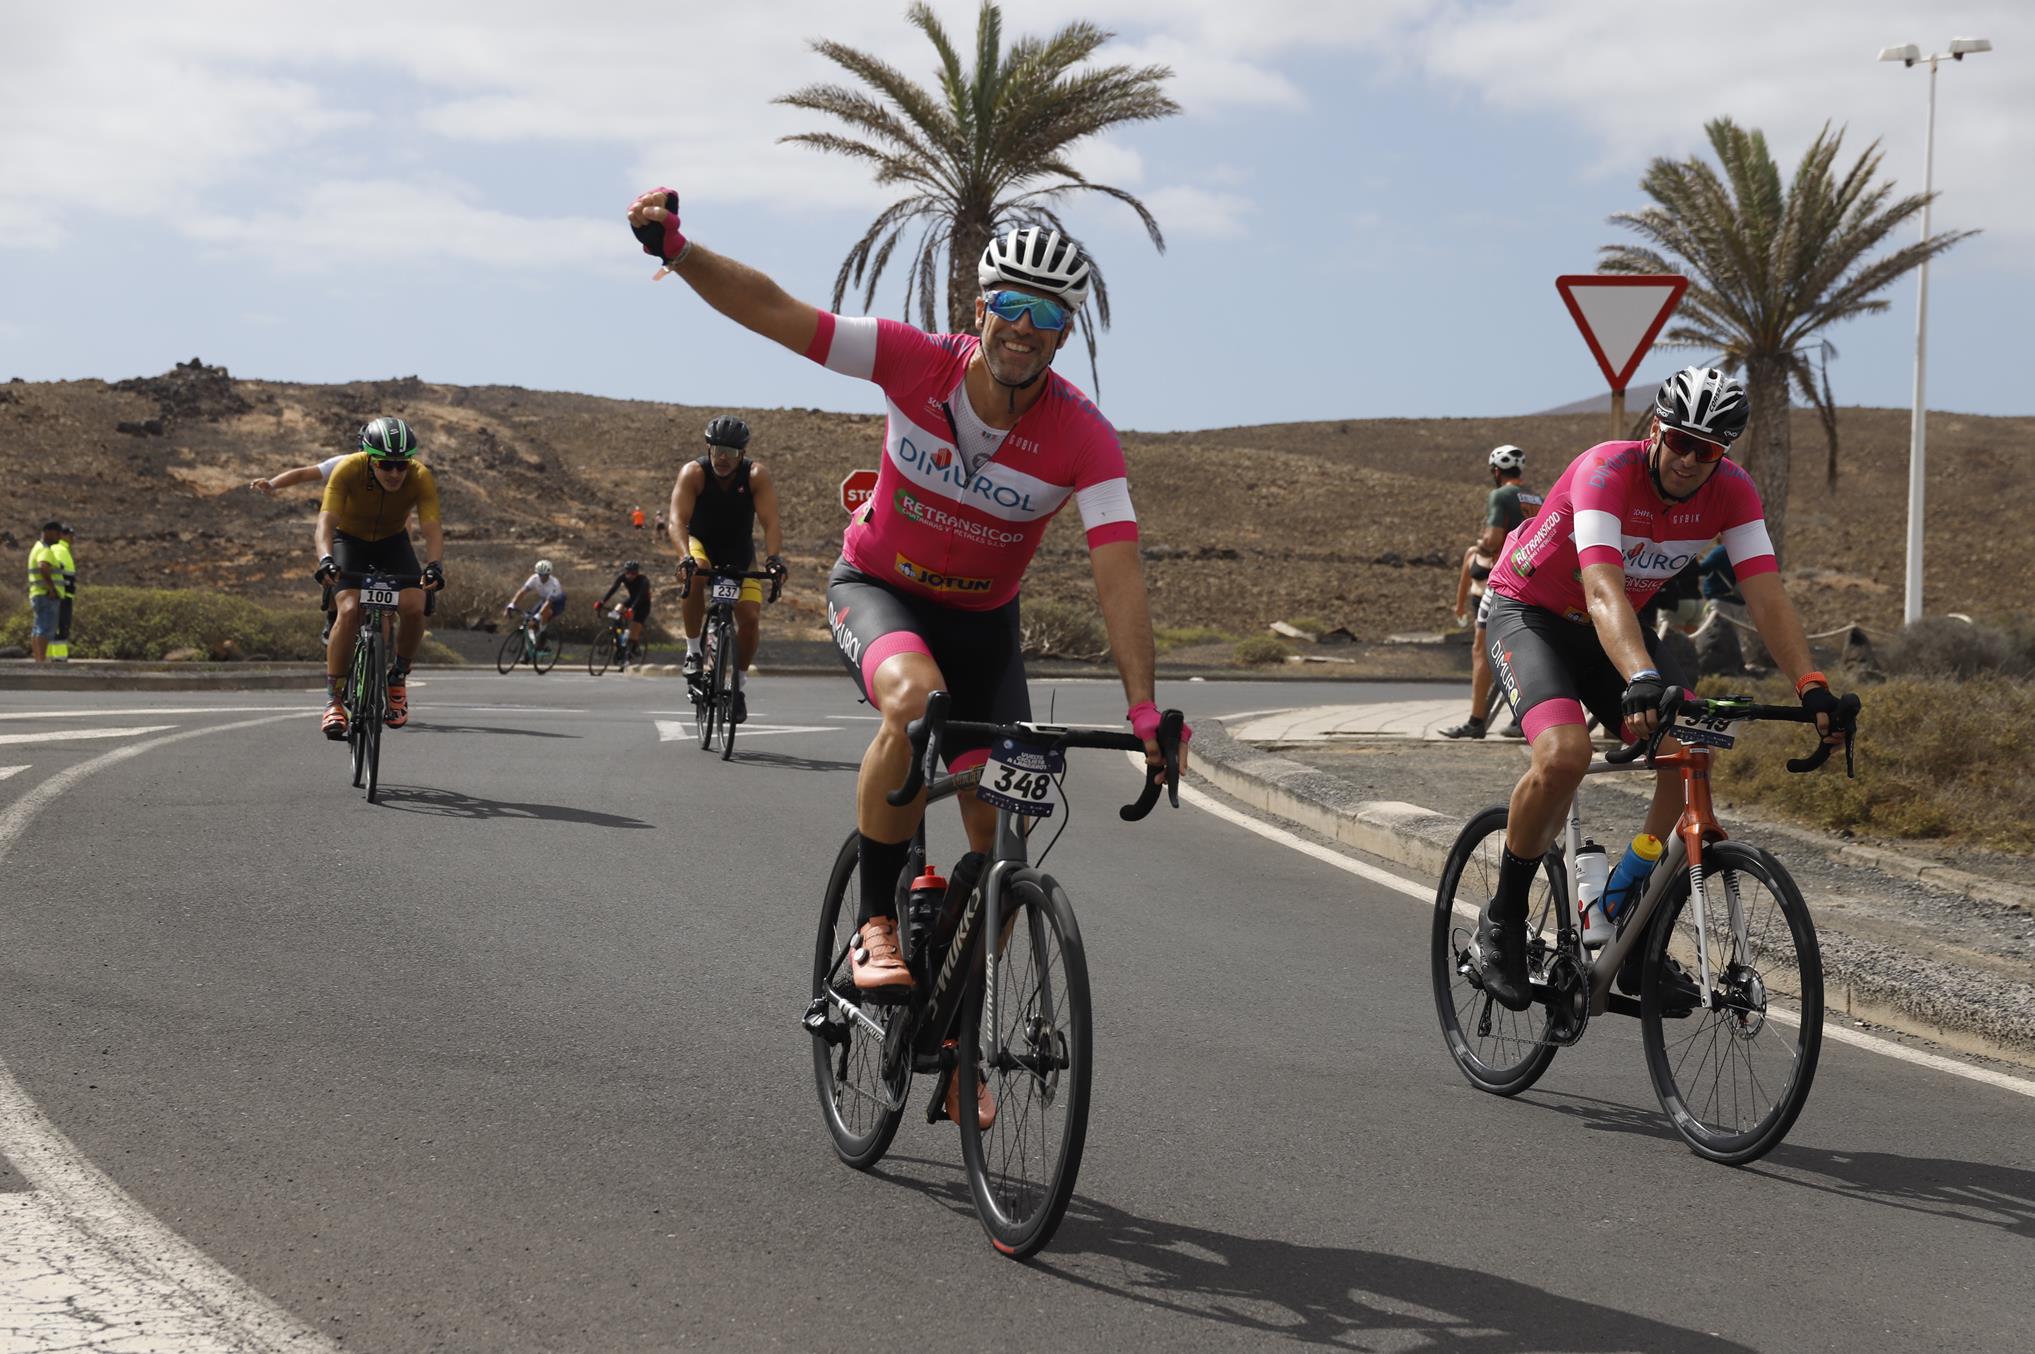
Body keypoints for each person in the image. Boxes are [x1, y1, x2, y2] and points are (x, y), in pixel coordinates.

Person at [627, 191, 1189, 1097]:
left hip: (983, 628)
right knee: (914, 703)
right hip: (879, 592)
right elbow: (779, 313)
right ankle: (876, 921)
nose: (1025, 329)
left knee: (1002, 832)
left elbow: (1118, 574)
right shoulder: (910, 360)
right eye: (1011, 305)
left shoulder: (1083, 437)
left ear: (1064, 332)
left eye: (1048, 316)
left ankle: (957, 1012)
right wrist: (680, 250)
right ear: (981, 309)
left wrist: (1142, 710)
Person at [1472, 367, 1856, 1011]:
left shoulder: (1733, 493)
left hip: (1610, 631)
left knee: (1688, 753)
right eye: (1679, 439)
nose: (1687, 458)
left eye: (1706, 450)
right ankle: (1502, 922)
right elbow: (1601, 587)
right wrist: (1643, 676)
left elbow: (1766, 596)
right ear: (1656, 429)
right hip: (1532, 613)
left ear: (1724, 452)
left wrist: (1813, 686)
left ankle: (1628, 912)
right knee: (1565, 757)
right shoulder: (1605, 471)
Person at [313, 418, 446, 738]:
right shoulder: (348, 469)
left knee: (415, 605)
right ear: (370, 458)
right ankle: (334, 699)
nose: (396, 473)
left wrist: (434, 566)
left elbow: (432, 528)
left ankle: (397, 678)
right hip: (349, 542)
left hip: (392, 543)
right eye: (387, 465)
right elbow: (325, 525)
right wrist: (326, 560)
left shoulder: (419, 476)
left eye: (402, 464)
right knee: (348, 610)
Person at [667, 414, 785, 724]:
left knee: (749, 619)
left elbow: (771, 522)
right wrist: (684, 557)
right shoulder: (694, 473)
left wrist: (774, 559)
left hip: (739, 552)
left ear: (742, 454)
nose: (722, 458)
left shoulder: (756, 475)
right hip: (700, 544)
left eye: (730, 452)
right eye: (717, 449)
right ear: (708, 447)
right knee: (697, 572)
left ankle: (739, 686)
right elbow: (677, 521)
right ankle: (694, 650)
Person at [1442, 445, 1542, 740]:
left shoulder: (1499, 496)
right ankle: (1523, 718)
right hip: (1532, 579)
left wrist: (1482, 544)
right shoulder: (1537, 497)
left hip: (1503, 577)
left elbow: (1493, 537)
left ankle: (1476, 721)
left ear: (1496, 472)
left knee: (1481, 649)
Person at [252, 454, 351, 638]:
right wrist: (272, 484)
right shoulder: (344, 464)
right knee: (331, 567)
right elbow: (303, 474)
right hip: (343, 529)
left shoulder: (397, 469)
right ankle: (332, 613)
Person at [595, 560, 653, 657]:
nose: (630, 575)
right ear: (625, 572)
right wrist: (602, 602)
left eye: (633, 573)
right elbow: (613, 589)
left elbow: (640, 596)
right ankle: (617, 631)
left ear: (637, 573)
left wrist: (631, 609)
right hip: (631, 600)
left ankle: (635, 647)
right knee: (616, 610)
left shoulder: (643, 581)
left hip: (643, 605)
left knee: (633, 634)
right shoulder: (622, 577)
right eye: (628, 572)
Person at [25, 520, 62, 663]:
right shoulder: (44, 549)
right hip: (45, 595)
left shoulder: (36, 547)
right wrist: (51, 588)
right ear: (48, 532)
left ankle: (38, 659)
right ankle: (41, 661)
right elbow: (43, 567)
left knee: (38, 627)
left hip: (37, 594)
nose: (59, 537)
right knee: (44, 628)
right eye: (57, 533)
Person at [506, 560, 567, 643]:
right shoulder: (534, 578)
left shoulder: (554, 584)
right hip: (544, 600)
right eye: (539, 574)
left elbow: (549, 603)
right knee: (530, 624)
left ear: (548, 574)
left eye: (544, 575)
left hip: (557, 603)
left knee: (545, 613)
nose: (541, 577)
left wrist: (538, 616)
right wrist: (512, 604)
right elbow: (522, 592)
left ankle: (542, 634)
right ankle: (531, 645)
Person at [49, 523, 77, 662]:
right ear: (63, 535)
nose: (73, 538)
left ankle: (52, 656)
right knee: (62, 626)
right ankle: (59, 657)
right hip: (62, 596)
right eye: (70, 535)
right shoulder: (59, 550)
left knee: (58, 626)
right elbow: (54, 569)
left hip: (63, 595)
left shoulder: (63, 550)